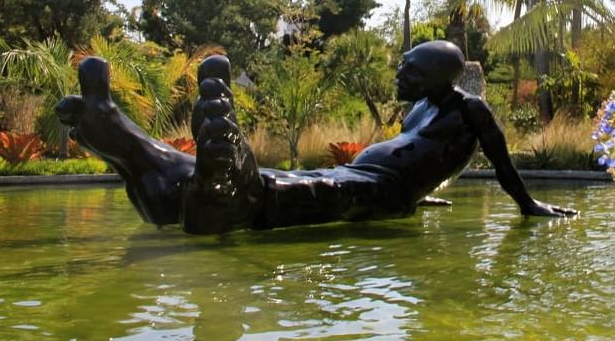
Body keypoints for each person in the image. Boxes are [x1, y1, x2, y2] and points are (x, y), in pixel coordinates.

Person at [56, 40, 577, 234]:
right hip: (370, 180)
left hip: (376, 190)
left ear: (439, 77)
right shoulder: (421, 106)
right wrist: (423, 200)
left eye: (409, 70)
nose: (398, 76)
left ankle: (237, 194)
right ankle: (144, 154)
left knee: (324, 192)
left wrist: (530, 207)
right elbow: (425, 161)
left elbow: (502, 164)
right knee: (313, 178)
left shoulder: (471, 110)